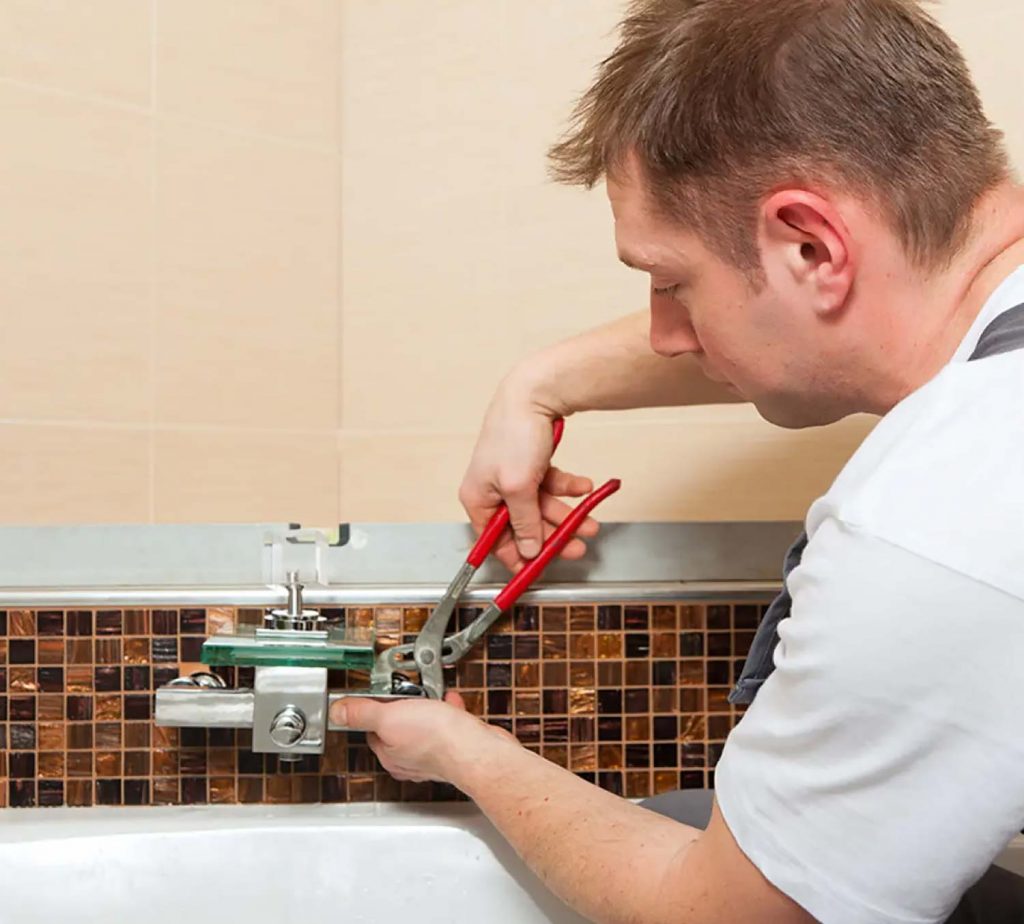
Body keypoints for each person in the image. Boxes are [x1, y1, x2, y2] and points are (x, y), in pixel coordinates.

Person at [329, 1, 1024, 920]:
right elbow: (820, 332)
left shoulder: (934, 524)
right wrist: (541, 383)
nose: (663, 334)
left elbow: (727, 915)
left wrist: (461, 752)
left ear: (811, 245)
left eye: (670, 283)